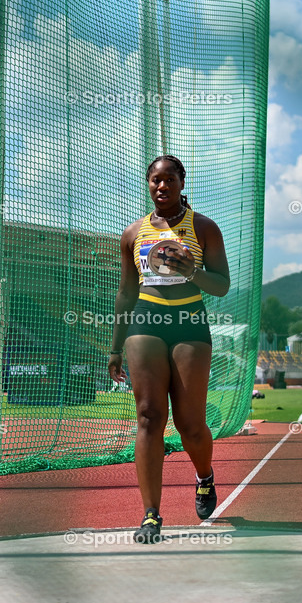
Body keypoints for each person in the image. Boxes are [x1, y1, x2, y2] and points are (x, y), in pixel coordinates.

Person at [108, 155, 231, 543]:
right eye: (155, 181)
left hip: (189, 323)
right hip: (146, 321)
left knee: (190, 425)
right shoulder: (133, 234)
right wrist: (114, 347)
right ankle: (150, 515)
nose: (161, 187)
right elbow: (127, 292)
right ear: (149, 185)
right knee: (148, 416)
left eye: (169, 180)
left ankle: (205, 476)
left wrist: (190, 270)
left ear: (181, 182)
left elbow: (221, 285)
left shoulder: (204, 227)